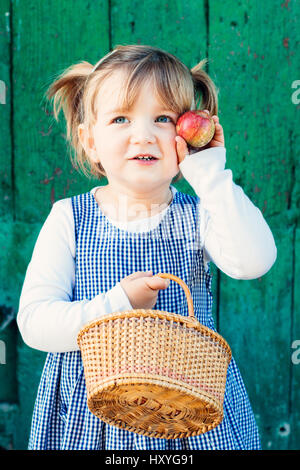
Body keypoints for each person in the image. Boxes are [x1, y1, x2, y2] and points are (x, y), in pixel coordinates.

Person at [17, 44, 277, 450]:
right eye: (121, 118)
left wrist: (209, 173)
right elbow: (34, 323)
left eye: (162, 119)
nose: (144, 134)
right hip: (94, 416)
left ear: (187, 135)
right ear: (89, 140)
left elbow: (254, 262)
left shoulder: (202, 213)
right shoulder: (70, 217)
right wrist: (120, 303)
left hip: (189, 411)